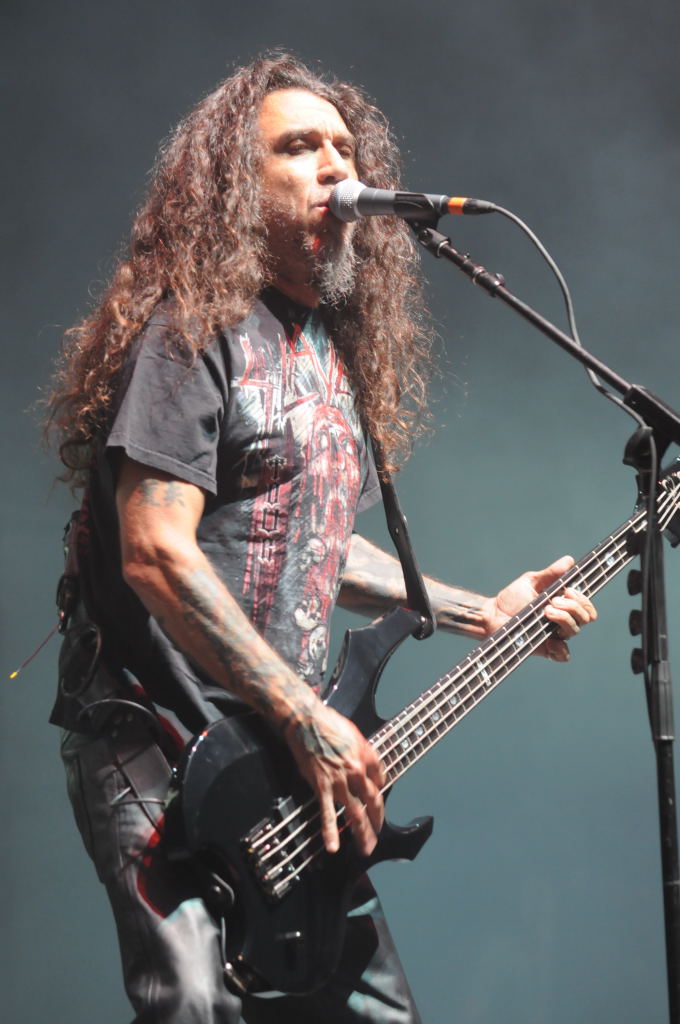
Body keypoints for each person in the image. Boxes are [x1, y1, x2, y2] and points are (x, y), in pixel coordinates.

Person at [46, 53, 596, 1024]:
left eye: (345, 147)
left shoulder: (326, 356)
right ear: (234, 185)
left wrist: (483, 612)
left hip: (279, 762)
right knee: (194, 1005)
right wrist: (304, 715)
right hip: (161, 741)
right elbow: (154, 548)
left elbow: (319, 548)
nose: (336, 167)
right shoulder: (190, 334)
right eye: (299, 147)